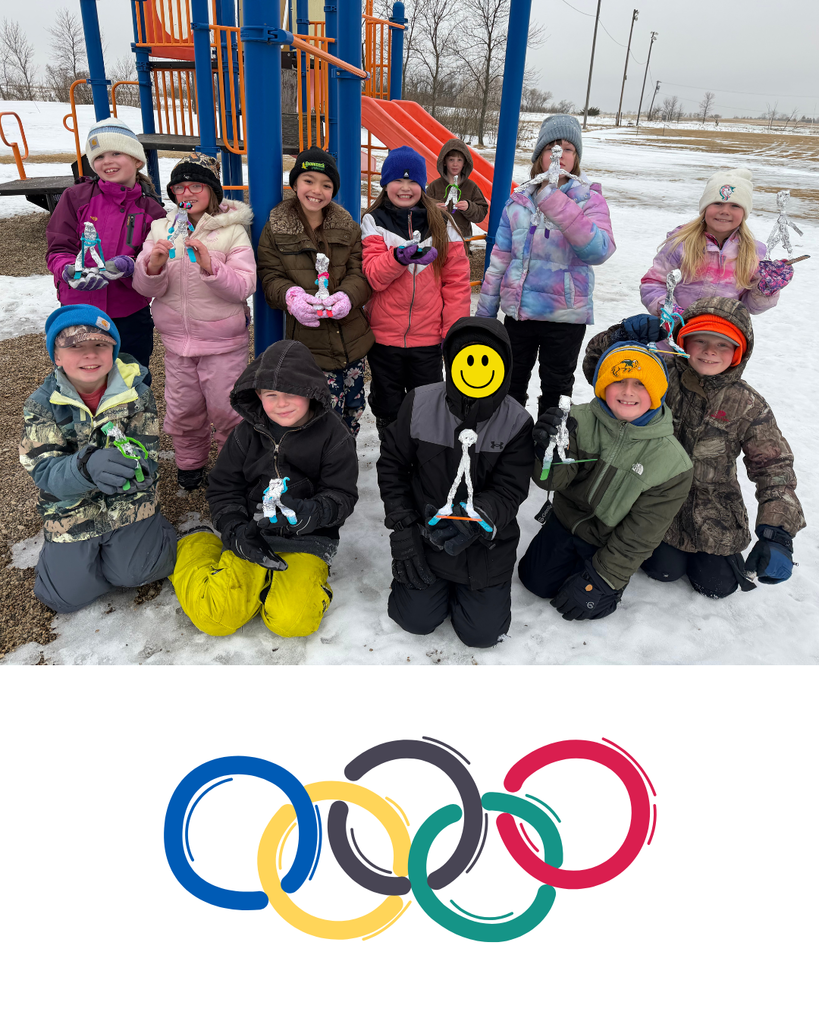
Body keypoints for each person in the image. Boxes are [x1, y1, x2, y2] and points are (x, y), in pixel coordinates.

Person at [582, 298, 806, 599]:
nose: (710, 351)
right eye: (700, 340)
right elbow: (600, 369)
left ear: (740, 351)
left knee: (719, 585)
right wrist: (618, 336)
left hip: (714, 512)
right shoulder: (659, 373)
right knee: (663, 569)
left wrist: (776, 533)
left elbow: (774, 469)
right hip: (653, 501)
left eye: (723, 344)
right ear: (683, 340)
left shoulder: (748, 404)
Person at [169, 339, 358, 638]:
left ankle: (280, 585)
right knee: (215, 618)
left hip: (307, 540)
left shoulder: (335, 436)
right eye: (271, 395)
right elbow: (223, 488)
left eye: (292, 393)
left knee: (293, 622)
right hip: (251, 533)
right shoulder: (246, 434)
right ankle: (197, 544)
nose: (281, 403)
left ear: (311, 391)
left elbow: (342, 495)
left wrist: (310, 514)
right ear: (258, 395)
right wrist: (233, 529)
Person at [376, 316, 533, 648]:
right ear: (451, 362)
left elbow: (510, 488)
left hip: (485, 544)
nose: (476, 369)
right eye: (468, 358)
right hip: (426, 535)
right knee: (414, 620)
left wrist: (478, 519)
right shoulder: (418, 403)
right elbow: (392, 466)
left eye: (487, 360)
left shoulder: (517, 421)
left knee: (482, 634)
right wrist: (403, 529)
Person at [518, 343, 693, 620]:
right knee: (534, 582)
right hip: (566, 521)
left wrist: (604, 580)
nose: (627, 392)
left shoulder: (673, 463)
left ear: (658, 392)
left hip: (610, 539)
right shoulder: (577, 420)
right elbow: (551, 482)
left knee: (586, 604)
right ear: (602, 386)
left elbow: (640, 534)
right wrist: (545, 452)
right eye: (618, 381)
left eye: (640, 384)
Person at [20, 305, 177, 614]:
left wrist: (139, 473)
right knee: (64, 598)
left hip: (128, 504)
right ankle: (73, 557)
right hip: (72, 507)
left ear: (114, 350)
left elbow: (147, 452)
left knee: (141, 573)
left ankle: (154, 533)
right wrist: (84, 467)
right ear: (57, 357)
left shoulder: (138, 395)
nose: (89, 355)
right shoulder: (41, 405)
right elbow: (43, 469)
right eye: (75, 347)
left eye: (100, 345)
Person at [476, 114, 615, 418]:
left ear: (575, 157)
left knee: (556, 389)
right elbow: (499, 259)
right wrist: (485, 316)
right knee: (509, 384)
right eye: (552, 147)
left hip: (564, 317)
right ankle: (510, 446)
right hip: (519, 315)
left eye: (567, 148)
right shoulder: (518, 200)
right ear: (539, 154)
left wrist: (554, 202)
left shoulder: (588, 199)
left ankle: (548, 453)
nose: (558, 155)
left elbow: (599, 250)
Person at [133, 153, 255, 491]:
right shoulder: (161, 228)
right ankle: (190, 464)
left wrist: (211, 268)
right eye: (179, 187)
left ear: (211, 190)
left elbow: (245, 285)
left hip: (223, 344)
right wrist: (153, 265)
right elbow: (144, 288)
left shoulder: (231, 231)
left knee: (228, 410)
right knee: (183, 409)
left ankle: (234, 468)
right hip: (177, 344)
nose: (187, 193)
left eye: (196, 185)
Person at [257, 148, 374, 437]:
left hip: (350, 343)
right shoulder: (276, 228)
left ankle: (344, 465)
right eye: (308, 181)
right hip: (309, 348)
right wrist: (291, 296)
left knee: (353, 411)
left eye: (326, 185)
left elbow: (360, 272)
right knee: (319, 417)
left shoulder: (348, 227)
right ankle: (320, 471)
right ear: (294, 184)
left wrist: (348, 296)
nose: (316, 191)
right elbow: (270, 276)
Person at [46, 117, 166, 384]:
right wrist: (67, 270)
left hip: (129, 313)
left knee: (131, 378)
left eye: (116, 152)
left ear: (136, 159)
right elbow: (58, 246)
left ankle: (132, 426)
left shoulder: (152, 210)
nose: (107, 161)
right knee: (81, 381)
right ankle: (84, 426)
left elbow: (154, 261)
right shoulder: (75, 197)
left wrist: (130, 265)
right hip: (78, 309)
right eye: (99, 156)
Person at [362, 146, 471, 437]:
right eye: (398, 180)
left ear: (422, 185)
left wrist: (453, 330)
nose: (406, 188)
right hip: (384, 339)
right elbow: (373, 276)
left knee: (427, 404)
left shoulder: (441, 224)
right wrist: (397, 257)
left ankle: (422, 461)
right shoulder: (373, 222)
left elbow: (456, 283)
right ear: (385, 183)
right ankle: (392, 461)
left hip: (428, 339)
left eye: (413, 182)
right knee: (388, 406)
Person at [640, 167, 793, 318]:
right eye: (717, 203)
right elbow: (653, 284)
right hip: (675, 334)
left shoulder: (754, 252)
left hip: (724, 336)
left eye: (735, 205)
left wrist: (765, 289)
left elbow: (750, 307)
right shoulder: (681, 244)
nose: (725, 211)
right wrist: (669, 310)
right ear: (705, 208)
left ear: (745, 213)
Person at [426, 138, 489, 254]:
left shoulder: (471, 187)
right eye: (451, 160)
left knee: (458, 271)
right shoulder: (435, 186)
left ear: (465, 162)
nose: (455, 164)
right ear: (444, 162)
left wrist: (470, 207)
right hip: (437, 242)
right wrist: (433, 209)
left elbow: (481, 213)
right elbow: (420, 208)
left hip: (461, 243)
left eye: (459, 160)